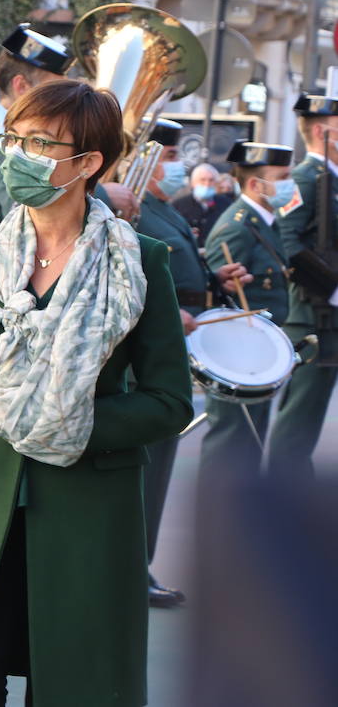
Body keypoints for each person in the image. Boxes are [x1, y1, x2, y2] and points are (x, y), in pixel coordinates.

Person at [0, 79, 192, 706]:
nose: (17, 155)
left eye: (40, 143)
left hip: (87, 516)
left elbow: (170, 401)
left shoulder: (142, 260)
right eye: (14, 139)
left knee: (70, 690)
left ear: (88, 164)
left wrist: (73, 424)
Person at [131, 120, 249, 609]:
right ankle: (131, 568)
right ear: (145, 160)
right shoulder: (133, 210)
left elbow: (179, 268)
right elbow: (134, 277)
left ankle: (141, 566)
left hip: (175, 345)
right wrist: (166, 314)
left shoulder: (159, 207)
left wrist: (213, 278)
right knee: (145, 469)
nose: (175, 165)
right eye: (168, 156)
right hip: (151, 347)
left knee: (158, 468)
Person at [199, 140, 295, 483]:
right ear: (255, 184)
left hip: (259, 353)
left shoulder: (265, 222)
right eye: (283, 177)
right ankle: (216, 520)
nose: (290, 184)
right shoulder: (237, 226)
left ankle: (239, 520)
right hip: (237, 355)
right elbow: (217, 297)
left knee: (249, 441)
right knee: (231, 440)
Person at [273, 93, 338, 483]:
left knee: (310, 417)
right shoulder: (304, 179)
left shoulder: (329, 180)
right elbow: (288, 243)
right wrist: (332, 289)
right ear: (321, 131)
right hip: (313, 316)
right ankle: (283, 500)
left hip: (329, 319)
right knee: (299, 417)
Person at [0, 25, 72, 226]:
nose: (61, 100)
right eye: (52, 90)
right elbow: (24, 212)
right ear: (21, 86)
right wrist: (104, 195)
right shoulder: (7, 137)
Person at [173, 162, 224, 246]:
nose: (207, 184)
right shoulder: (178, 205)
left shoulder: (226, 203)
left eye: (211, 180)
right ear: (193, 183)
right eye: (202, 180)